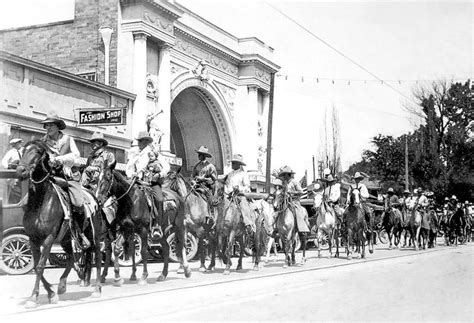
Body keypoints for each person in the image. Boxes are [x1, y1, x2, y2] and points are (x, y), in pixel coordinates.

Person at [40, 113, 89, 248]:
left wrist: (60, 159)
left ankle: (80, 233)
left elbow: (77, 157)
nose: (48, 128)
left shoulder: (68, 139)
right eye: (46, 125)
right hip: (49, 177)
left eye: (51, 125)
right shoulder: (43, 141)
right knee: (28, 200)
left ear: (57, 127)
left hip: (67, 177)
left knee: (78, 202)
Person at [126, 131, 164, 236]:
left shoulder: (153, 152)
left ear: (147, 142)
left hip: (151, 183)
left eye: (142, 141)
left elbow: (166, 167)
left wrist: (159, 175)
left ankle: (157, 224)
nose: (139, 143)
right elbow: (128, 168)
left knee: (159, 199)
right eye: (139, 141)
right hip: (136, 181)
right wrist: (131, 174)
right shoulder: (134, 153)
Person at [224, 154, 255, 233]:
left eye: (234, 163)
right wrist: (229, 191)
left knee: (243, 205)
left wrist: (239, 189)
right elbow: (227, 185)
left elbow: (247, 186)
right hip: (230, 195)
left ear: (238, 164)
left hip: (240, 196)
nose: (232, 164)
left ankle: (248, 223)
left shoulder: (243, 174)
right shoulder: (229, 174)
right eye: (232, 163)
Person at [275, 166, 310, 234]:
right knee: (276, 212)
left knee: (297, 212)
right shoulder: (284, 183)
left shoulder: (294, 182)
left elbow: (301, 192)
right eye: (283, 175)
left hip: (294, 201)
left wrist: (291, 193)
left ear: (288, 175)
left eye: (284, 174)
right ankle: (275, 228)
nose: (284, 176)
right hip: (285, 201)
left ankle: (302, 229)